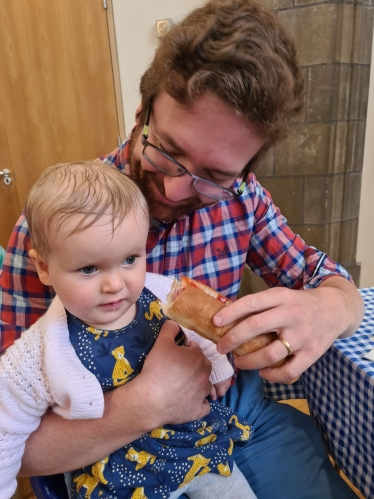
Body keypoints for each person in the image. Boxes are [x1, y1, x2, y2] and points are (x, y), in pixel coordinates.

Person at [0, 0, 364, 497]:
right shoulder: (52, 233)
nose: (173, 192)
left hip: (236, 414)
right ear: (141, 114)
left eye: (214, 178)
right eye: (166, 152)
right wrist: (147, 405)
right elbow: (15, 438)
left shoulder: (245, 200)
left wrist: (330, 304)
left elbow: (320, 274)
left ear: (246, 171)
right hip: (104, 452)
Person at [0, 161, 256, 499]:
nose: (116, 284)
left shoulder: (163, 291)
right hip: (119, 479)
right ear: (45, 268)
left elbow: (196, 331)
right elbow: (6, 431)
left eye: (130, 260)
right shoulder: (36, 355)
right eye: (89, 268)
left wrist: (219, 366)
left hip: (194, 448)